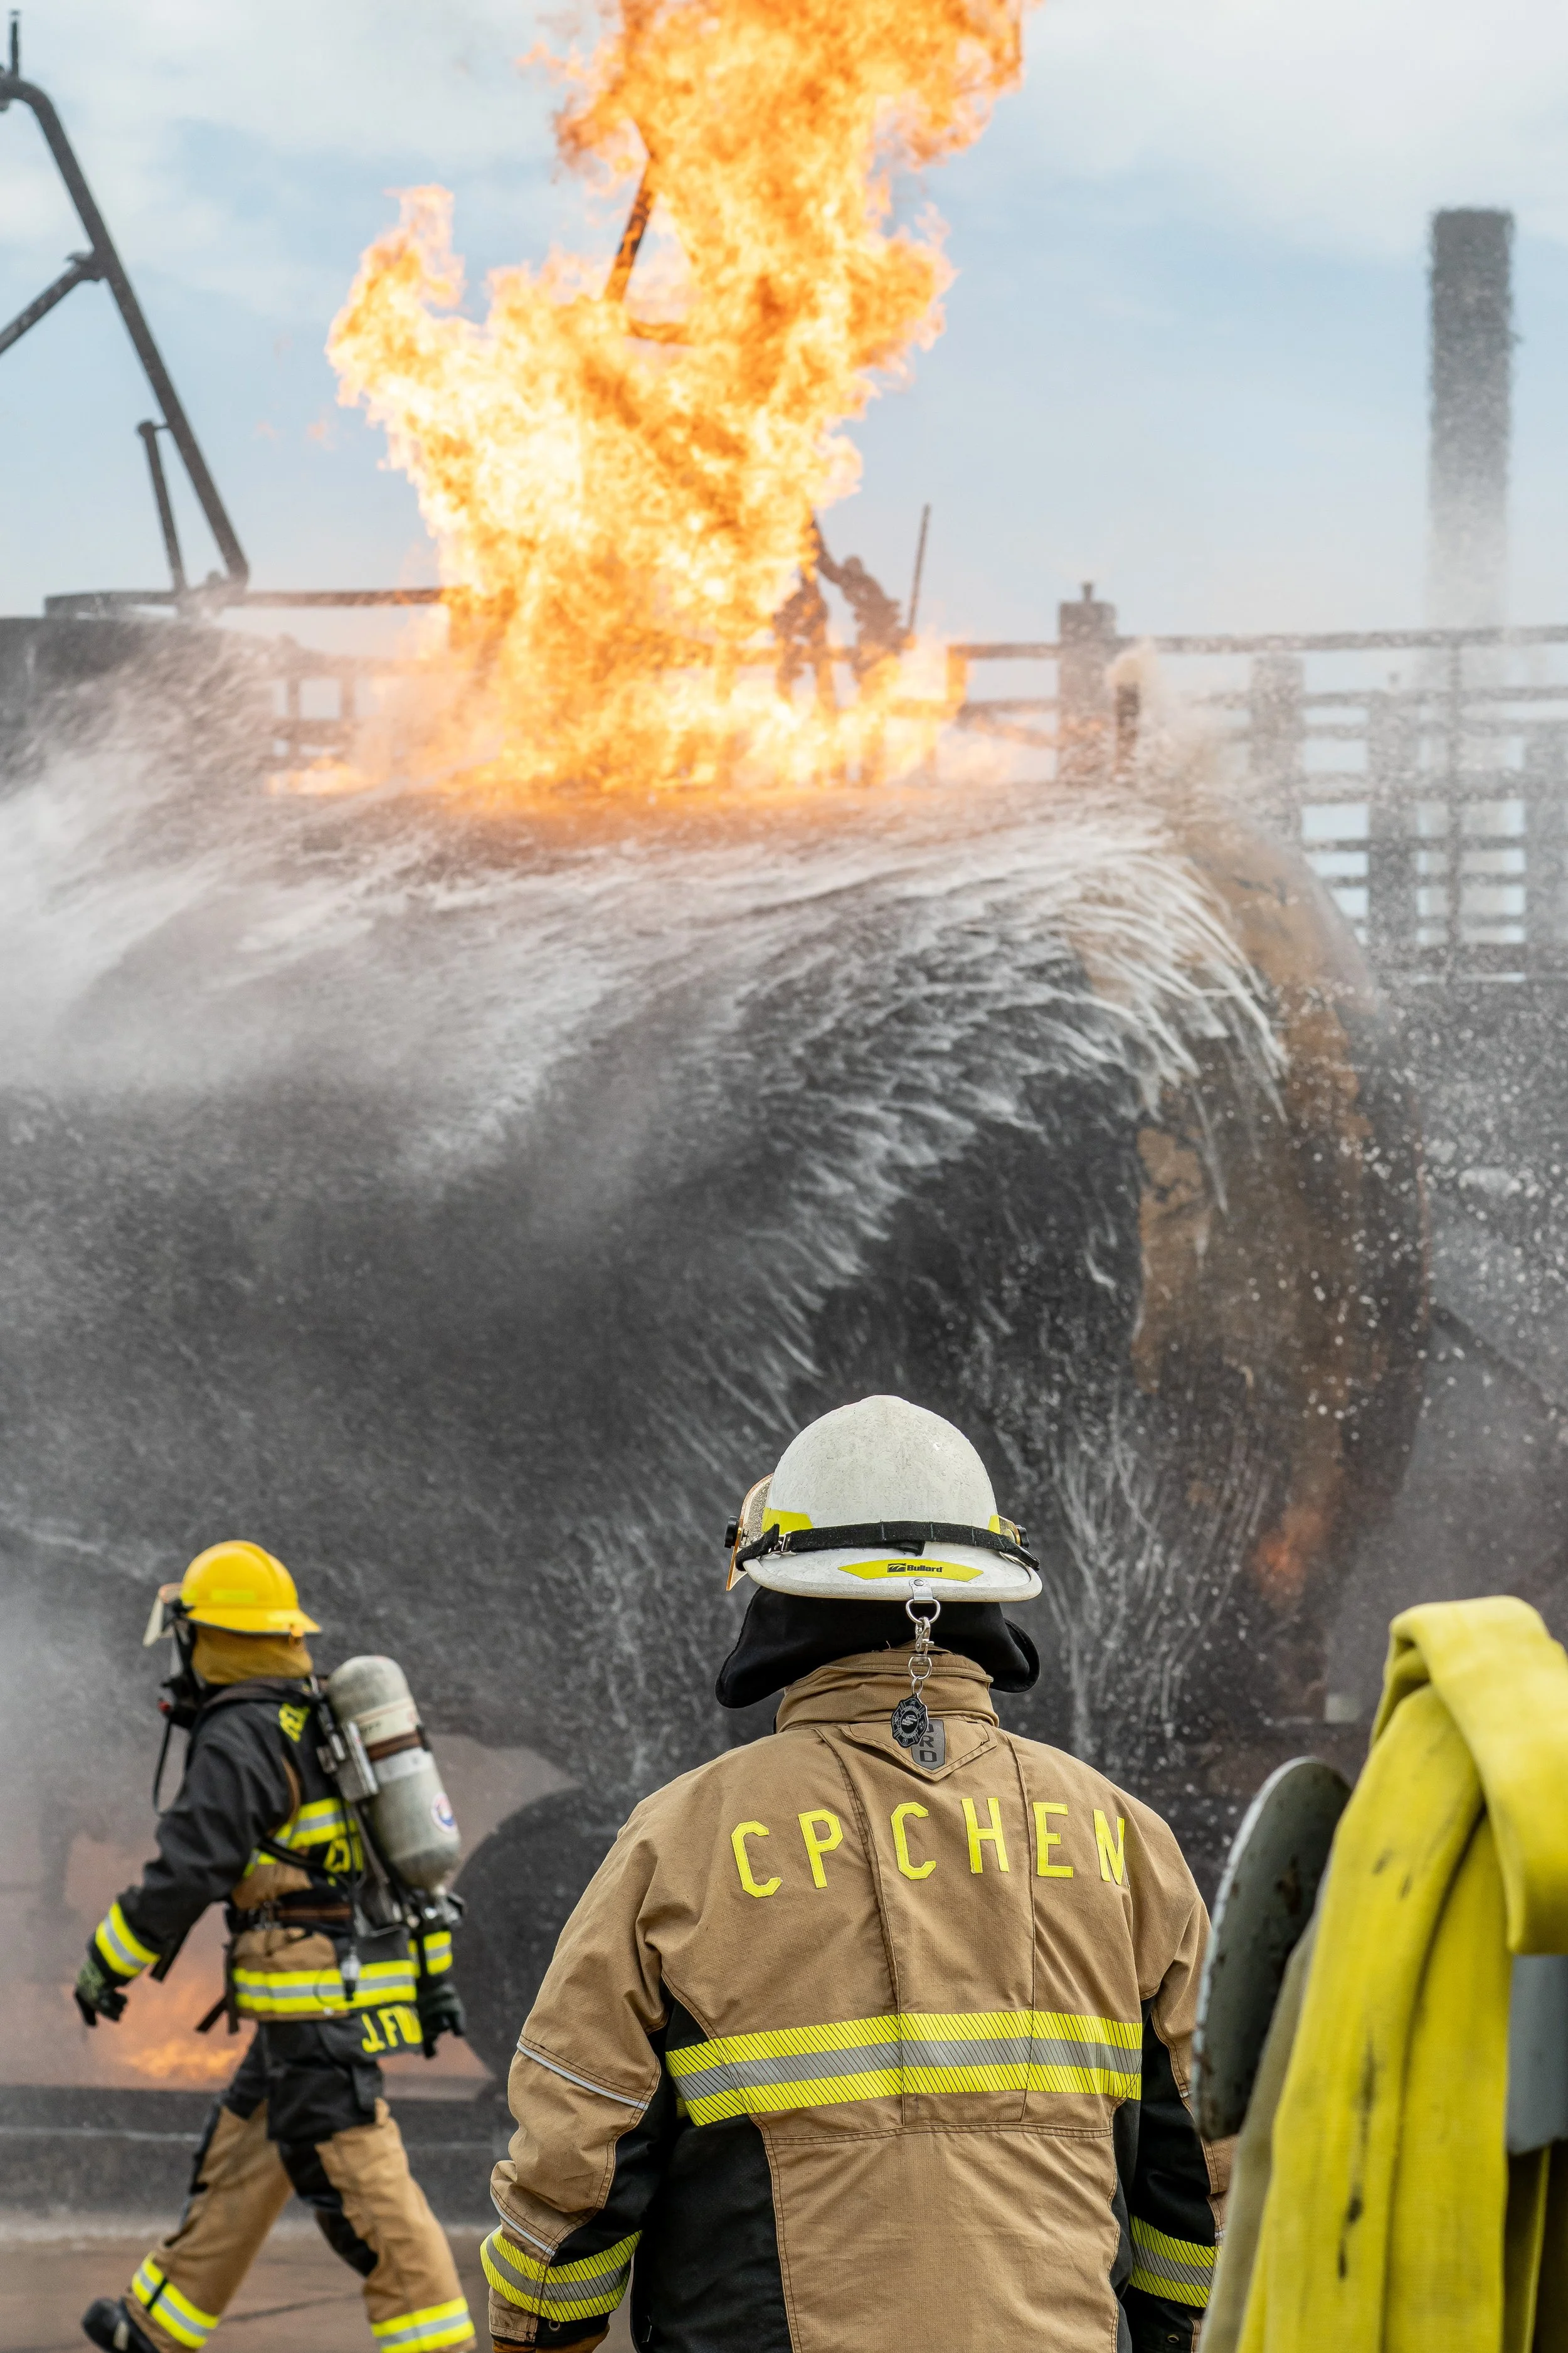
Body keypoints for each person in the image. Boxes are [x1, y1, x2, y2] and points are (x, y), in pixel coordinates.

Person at [480, 1394, 1229, 2353]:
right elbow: (1206, 2171)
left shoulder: (678, 1842)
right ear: (986, 1589)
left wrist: (534, 2337)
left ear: (781, 1597)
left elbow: (573, 2166)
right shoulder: (1127, 1840)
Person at [75, 1541, 475, 2353]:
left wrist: (108, 1958)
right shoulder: (302, 1710)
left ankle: (439, 2345)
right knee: (245, 2152)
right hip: (320, 1982)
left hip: (312, 1987)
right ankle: (157, 2326)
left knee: (360, 2179)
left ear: (213, 1636)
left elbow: (192, 1861)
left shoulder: (243, 1732)